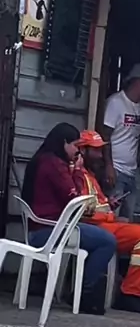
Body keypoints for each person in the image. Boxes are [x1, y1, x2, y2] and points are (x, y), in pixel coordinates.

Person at [22, 123, 117, 315]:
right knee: (107, 241)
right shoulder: (55, 165)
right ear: (64, 142)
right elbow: (74, 198)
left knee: (98, 237)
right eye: (75, 146)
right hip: (48, 231)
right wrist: (77, 171)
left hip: (42, 228)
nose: (77, 151)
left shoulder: (42, 159)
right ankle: (85, 293)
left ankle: (83, 290)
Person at [75, 129, 140, 315]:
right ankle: (130, 294)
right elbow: (82, 211)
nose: (100, 155)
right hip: (95, 228)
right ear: (83, 150)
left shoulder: (89, 174)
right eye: (95, 150)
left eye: (100, 150)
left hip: (105, 224)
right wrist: (106, 212)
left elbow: (95, 204)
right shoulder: (78, 175)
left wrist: (109, 204)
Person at [102, 63, 140, 220]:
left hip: (131, 171)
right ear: (138, 82)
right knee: (111, 217)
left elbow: (139, 139)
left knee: (126, 219)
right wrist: (108, 166)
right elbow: (105, 136)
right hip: (116, 170)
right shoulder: (115, 102)